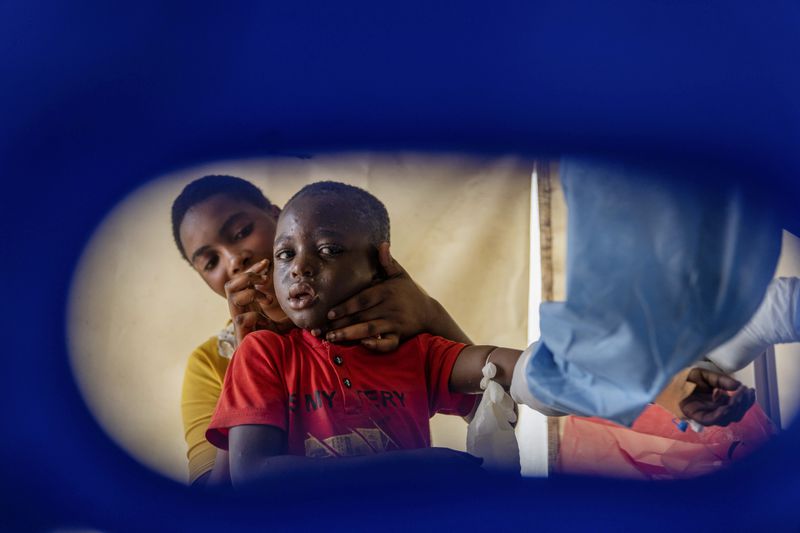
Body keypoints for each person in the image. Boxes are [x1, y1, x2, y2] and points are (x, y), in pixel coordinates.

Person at [205, 181, 749, 488]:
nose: (297, 269)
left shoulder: (415, 352)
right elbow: (254, 479)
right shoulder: (263, 355)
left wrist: (665, 387)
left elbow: (527, 373)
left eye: (325, 251)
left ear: (380, 263)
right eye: (285, 254)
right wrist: (417, 469)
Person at [172, 176, 471, 486]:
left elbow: (501, 409)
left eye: (241, 232)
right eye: (210, 262)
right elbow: (217, 502)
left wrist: (429, 312)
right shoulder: (210, 362)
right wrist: (243, 369)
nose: (235, 260)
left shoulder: (382, 318)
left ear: (278, 215)